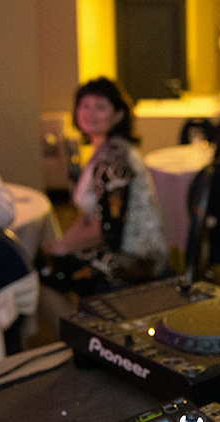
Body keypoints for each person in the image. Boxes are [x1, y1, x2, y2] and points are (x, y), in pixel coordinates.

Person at [41, 78, 168, 294]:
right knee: (45, 259)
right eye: (84, 105)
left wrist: (63, 248)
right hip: (116, 247)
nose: (89, 113)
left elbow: (110, 229)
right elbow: (90, 216)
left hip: (138, 259)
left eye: (100, 107)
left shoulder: (115, 159)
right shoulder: (101, 151)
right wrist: (60, 244)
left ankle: (79, 326)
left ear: (118, 115)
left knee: (45, 270)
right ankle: (79, 323)